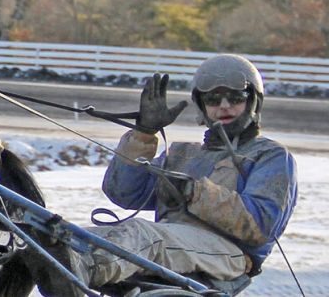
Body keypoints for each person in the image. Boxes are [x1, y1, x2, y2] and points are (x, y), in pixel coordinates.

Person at [27, 54, 298, 296]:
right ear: (202, 106)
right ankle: (33, 262)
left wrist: (195, 191)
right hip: (172, 243)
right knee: (72, 236)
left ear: (254, 101)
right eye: (214, 99)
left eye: (235, 97)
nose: (224, 105)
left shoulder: (271, 156)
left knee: (143, 235)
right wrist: (144, 133)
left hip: (229, 255)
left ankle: (77, 274)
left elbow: (262, 225)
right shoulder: (182, 154)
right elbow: (123, 192)